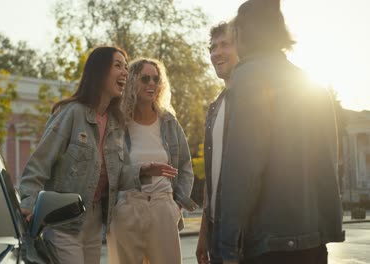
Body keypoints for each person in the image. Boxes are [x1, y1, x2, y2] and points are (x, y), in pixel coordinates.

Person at [214, 0, 345, 263]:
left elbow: (244, 166)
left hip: (268, 244)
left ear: (243, 33)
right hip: (313, 240)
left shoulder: (249, 76)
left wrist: (226, 243)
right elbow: (329, 164)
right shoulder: (313, 86)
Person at [19, 46, 129, 264]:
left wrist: (144, 172)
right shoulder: (72, 113)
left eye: (126, 67)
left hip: (95, 222)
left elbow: (117, 174)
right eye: (118, 66)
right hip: (63, 221)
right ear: (99, 71)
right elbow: (39, 164)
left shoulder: (116, 123)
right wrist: (28, 203)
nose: (125, 72)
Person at [109, 58, 198, 264]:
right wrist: (142, 170)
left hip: (163, 207)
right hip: (127, 208)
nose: (152, 84)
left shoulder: (168, 121)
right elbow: (110, 169)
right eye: (145, 78)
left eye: (156, 79)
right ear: (131, 81)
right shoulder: (119, 122)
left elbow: (185, 166)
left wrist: (177, 206)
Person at [196, 21, 239, 264]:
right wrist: (204, 234)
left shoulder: (253, 101)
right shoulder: (214, 108)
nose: (216, 53)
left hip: (245, 236)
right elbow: (211, 181)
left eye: (225, 44)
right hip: (217, 234)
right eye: (212, 47)